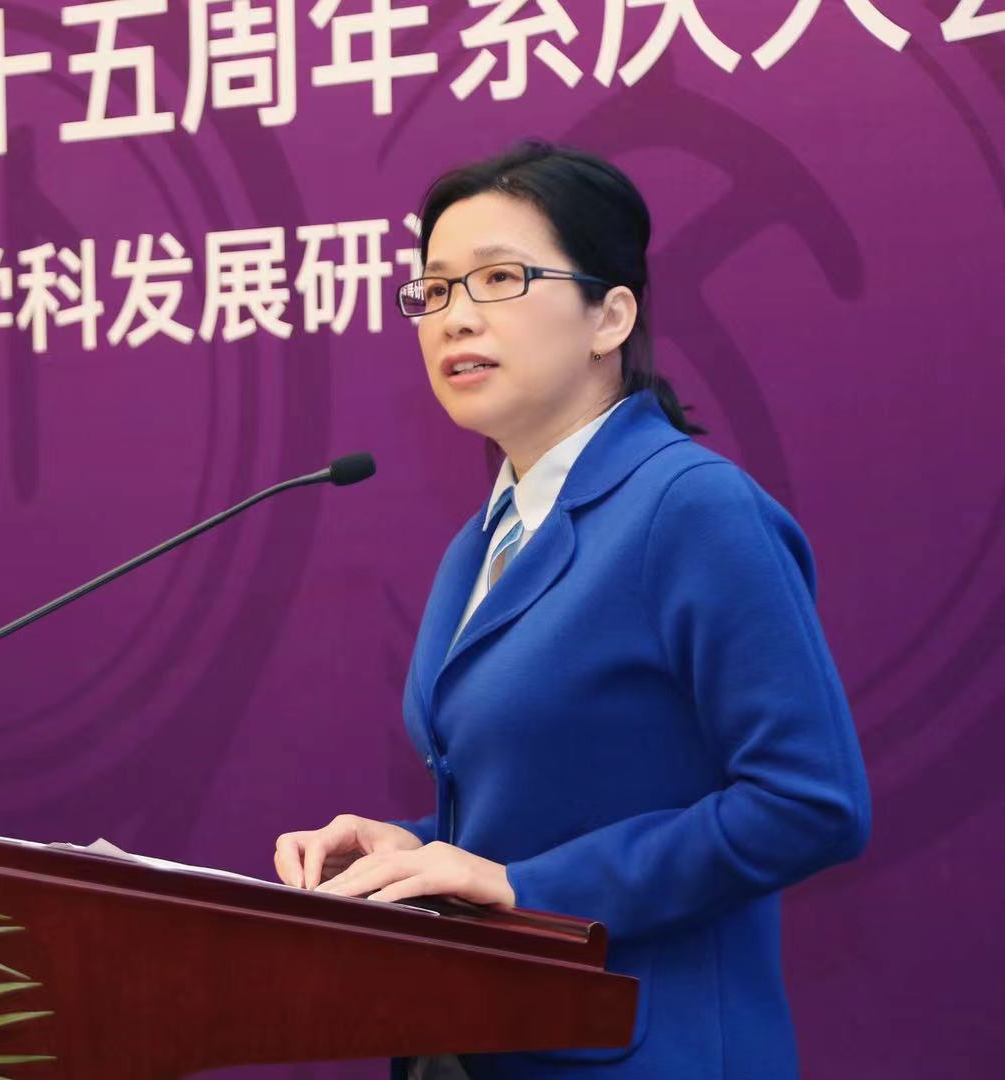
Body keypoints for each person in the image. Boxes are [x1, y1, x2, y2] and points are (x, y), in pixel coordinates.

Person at [272, 140, 872, 1080]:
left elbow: (809, 804)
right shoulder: (483, 542)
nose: (455, 316)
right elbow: (552, 809)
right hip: (490, 1039)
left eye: (498, 278)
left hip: (649, 1051)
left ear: (610, 317)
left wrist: (520, 885)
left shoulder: (690, 507)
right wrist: (416, 852)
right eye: (434, 289)